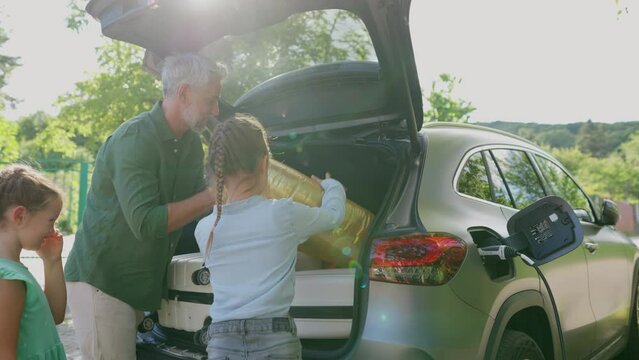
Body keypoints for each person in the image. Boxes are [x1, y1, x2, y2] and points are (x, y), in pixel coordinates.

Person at [64, 53, 225, 359]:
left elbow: (196, 210)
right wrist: (211, 195)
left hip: (141, 289)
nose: (216, 110)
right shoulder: (135, 140)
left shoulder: (191, 144)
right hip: (103, 284)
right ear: (184, 94)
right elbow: (147, 223)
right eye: (211, 100)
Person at [194, 114, 346, 359]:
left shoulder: (205, 228)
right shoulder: (282, 214)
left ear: (217, 169)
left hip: (221, 343)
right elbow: (333, 216)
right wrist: (332, 186)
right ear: (264, 163)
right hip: (273, 341)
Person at [0, 164, 66, 359]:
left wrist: (52, 261)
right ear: (20, 216)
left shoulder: (14, 270)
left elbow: (54, 315)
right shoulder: (7, 279)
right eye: (50, 220)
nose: (53, 231)